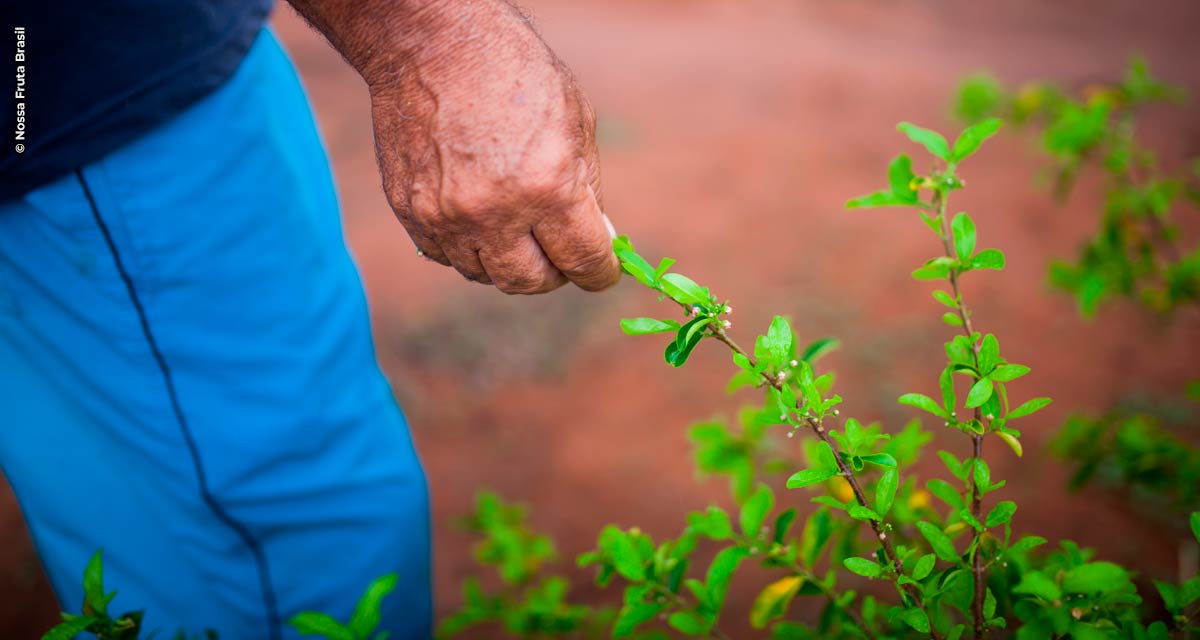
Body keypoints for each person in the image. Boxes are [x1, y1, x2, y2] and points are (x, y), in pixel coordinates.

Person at [0, 0, 619, 637]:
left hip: (119, 79)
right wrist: (426, 35)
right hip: (91, 108)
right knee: (283, 535)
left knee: (125, 497)